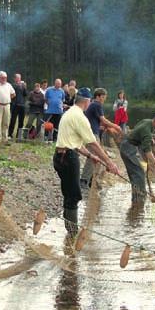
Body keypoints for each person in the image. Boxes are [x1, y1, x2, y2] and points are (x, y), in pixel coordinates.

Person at [53, 88, 121, 234]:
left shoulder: (69, 112)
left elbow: (74, 143)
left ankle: (69, 232)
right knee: (74, 195)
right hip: (68, 159)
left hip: (59, 157)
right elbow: (92, 144)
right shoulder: (80, 117)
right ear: (87, 101)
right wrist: (110, 163)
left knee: (69, 193)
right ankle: (72, 234)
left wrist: (91, 156)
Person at [119, 113, 155, 204]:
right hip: (128, 149)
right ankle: (139, 200)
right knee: (139, 172)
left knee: (135, 173)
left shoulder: (147, 121)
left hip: (127, 146)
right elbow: (148, 151)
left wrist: (151, 138)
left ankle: (136, 200)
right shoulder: (146, 130)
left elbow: (138, 130)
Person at [80, 88, 120, 188]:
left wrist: (103, 127)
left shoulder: (93, 104)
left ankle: (91, 179)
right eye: (103, 97)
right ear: (98, 96)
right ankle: (84, 180)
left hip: (92, 132)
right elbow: (103, 120)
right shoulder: (97, 104)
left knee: (96, 157)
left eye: (105, 97)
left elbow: (97, 121)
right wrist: (116, 126)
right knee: (92, 157)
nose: (104, 99)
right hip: (92, 134)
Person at [0, 71, 15, 143]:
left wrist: (7, 98)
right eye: (3, 77)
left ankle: (5, 138)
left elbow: (13, 94)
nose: (4, 79)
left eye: (5, 78)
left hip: (7, 105)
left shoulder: (8, 85)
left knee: (6, 122)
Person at [8, 73, 27, 138]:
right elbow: (13, 91)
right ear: (15, 79)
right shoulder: (13, 85)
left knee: (21, 121)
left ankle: (18, 135)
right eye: (18, 78)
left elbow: (25, 94)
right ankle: (10, 134)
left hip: (22, 105)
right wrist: (19, 85)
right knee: (13, 120)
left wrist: (24, 87)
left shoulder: (22, 85)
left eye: (20, 78)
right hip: (15, 105)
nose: (19, 79)